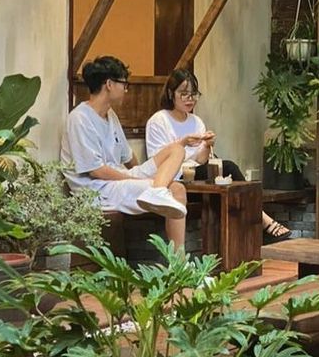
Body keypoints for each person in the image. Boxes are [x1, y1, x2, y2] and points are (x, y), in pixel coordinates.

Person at [61, 56, 197, 249]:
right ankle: (179, 262)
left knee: (177, 150)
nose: (126, 89)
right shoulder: (79, 119)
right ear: (109, 84)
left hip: (122, 178)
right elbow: (96, 171)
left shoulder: (111, 115)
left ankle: (157, 191)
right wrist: (136, 180)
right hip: (99, 189)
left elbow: (128, 157)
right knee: (176, 190)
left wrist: (144, 173)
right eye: (124, 84)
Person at [145, 68, 292, 243]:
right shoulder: (158, 121)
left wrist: (207, 145)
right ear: (171, 93)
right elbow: (158, 162)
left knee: (227, 176)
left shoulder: (195, 121)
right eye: (184, 94)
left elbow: (200, 160)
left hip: (197, 178)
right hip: (174, 180)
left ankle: (253, 229)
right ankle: (263, 222)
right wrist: (183, 143)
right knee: (228, 168)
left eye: (193, 94)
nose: (189, 99)